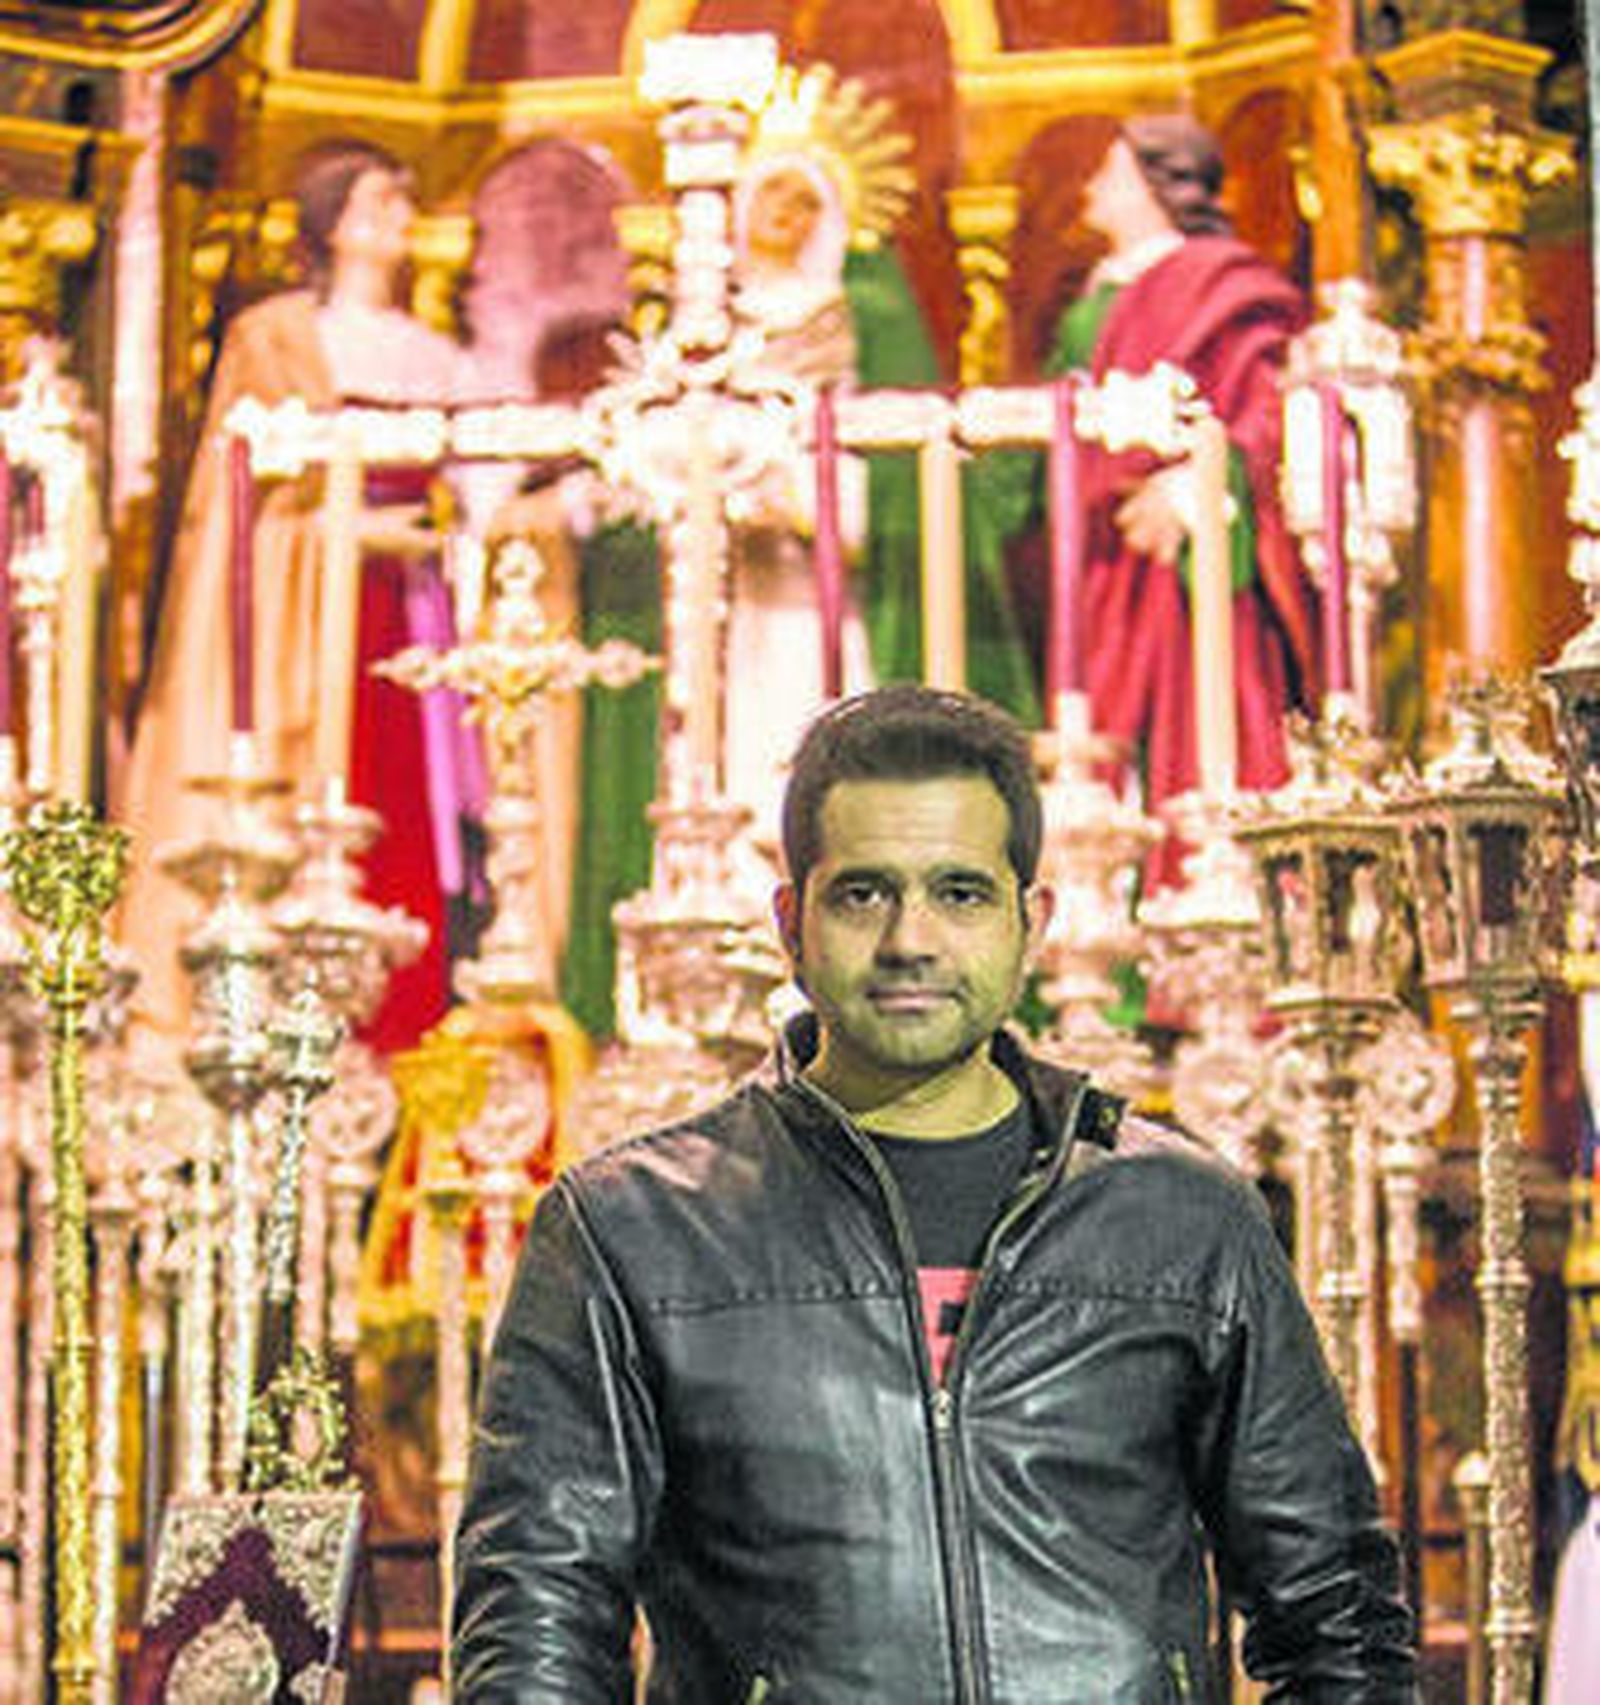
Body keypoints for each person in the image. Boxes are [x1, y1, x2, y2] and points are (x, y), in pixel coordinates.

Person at [454, 683, 1416, 1700]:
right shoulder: (631, 1231)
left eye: (959, 892)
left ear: (1029, 921)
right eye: (864, 893)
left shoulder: (1186, 1222)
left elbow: (1336, 1622)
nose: (910, 939)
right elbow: (534, 1634)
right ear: (790, 922)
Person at [119, 141, 489, 1051]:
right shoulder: (277, 338)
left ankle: (407, 1035)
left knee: (411, 819)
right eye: (378, 202)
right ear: (335, 223)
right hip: (309, 612)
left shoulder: (434, 354)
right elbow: (239, 502)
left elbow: (478, 488)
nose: (398, 220)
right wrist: (348, 535)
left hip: (411, 608)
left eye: (403, 203)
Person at [1047, 116, 1317, 836]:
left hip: (1194, 552)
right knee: (1099, 732)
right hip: (1110, 554)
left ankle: (1210, 877)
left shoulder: (1220, 283)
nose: (1095, 187)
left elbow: (1268, 411)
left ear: (1155, 182)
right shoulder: (1093, 297)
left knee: (1210, 712)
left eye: (1111, 170)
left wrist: (1200, 482)